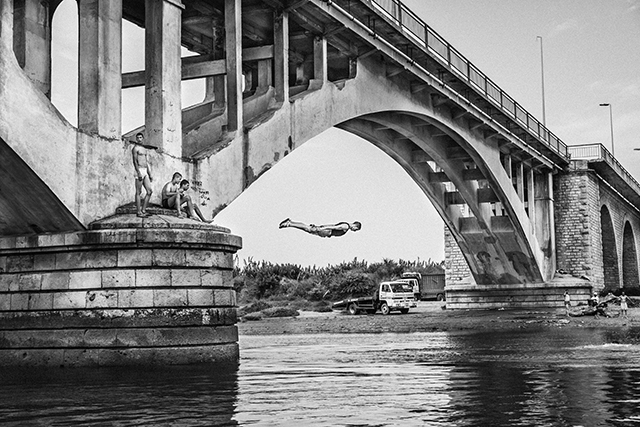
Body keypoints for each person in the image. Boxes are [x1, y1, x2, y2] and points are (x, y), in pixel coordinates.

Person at [131, 132, 153, 217]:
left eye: (141, 137)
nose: (139, 139)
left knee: (149, 191)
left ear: (143, 138)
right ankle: (138, 212)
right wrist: (138, 172)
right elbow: (135, 161)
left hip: (145, 170)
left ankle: (143, 210)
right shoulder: (135, 149)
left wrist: (149, 173)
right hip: (139, 170)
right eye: (138, 138)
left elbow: (146, 162)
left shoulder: (144, 149)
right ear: (136, 139)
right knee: (138, 192)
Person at [279, 219, 361, 238]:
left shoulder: (345, 225)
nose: (354, 231)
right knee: (308, 228)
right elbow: (334, 227)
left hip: (325, 232)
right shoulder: (345, 227)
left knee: (308, 228)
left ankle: (290, 223)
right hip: (326, 231)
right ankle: (289, 223)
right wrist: (322, 228)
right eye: (355, 229)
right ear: (355, 226)